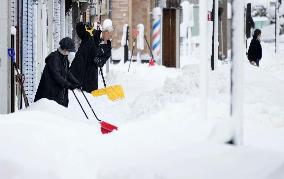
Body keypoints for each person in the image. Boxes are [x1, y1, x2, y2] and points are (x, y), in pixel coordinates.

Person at [34, 37, 81, 107]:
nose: (69, 52)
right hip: (49, 95)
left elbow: (67, 72)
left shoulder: (64, 58)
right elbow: (57, 76)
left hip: (58, 93)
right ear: (64, 49)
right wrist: (69, 85)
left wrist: (76, 82)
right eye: (69, 50)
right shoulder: (54, 58)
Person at [70, 19, 113, 93]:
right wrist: (83, 25)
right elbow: (79, 29)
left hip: (90, 78)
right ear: (104, 31)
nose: (110, 35)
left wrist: (99, 62)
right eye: (108, 32)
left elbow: (103, 60)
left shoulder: (107, 47)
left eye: (111, 33)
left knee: (89, 97)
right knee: (72, 95)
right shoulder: (91, 33)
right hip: (78, 70)